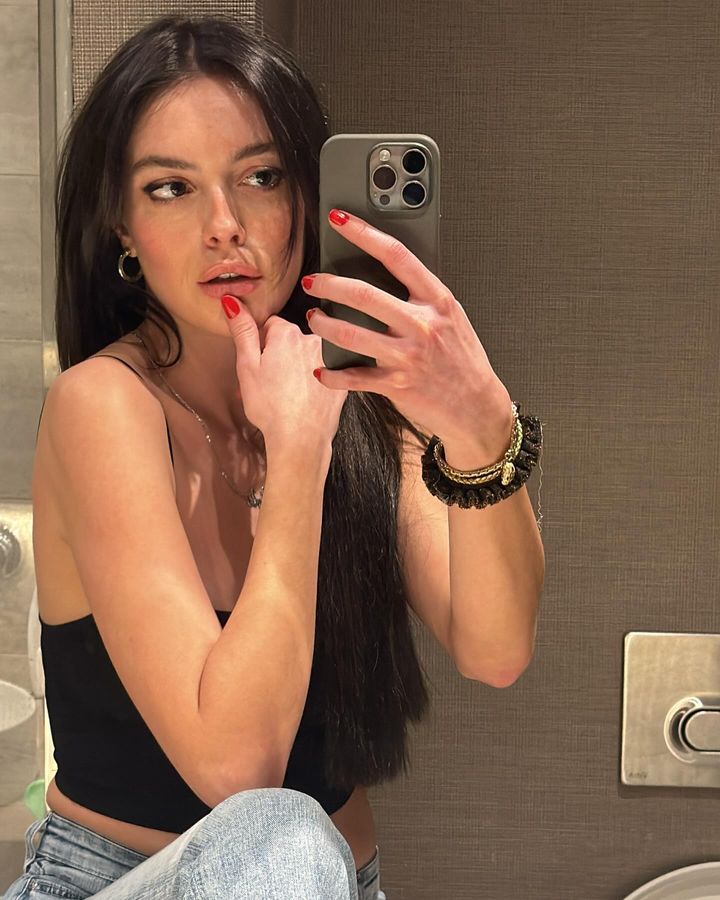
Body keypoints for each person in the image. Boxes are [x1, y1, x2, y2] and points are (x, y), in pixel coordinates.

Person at [4, 13, 545, 900]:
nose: (225, 226)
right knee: (279, 833)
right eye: (171, 188)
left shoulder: (359, 391)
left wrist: (483, 425)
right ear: (122, 226)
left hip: (330, 881)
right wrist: (296, 456)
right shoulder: (102, 405)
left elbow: (495, 648)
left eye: (261, 177)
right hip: (118, 880)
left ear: (305, 195)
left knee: (292, 849)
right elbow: (239, 769)